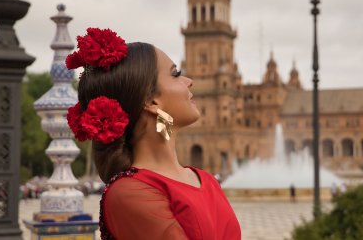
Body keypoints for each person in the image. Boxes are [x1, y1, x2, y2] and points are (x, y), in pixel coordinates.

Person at [66, 28, 241, 240]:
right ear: (151, 101)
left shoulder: (205, 180)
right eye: (175, 74)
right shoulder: (130, 192)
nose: (188, 80)